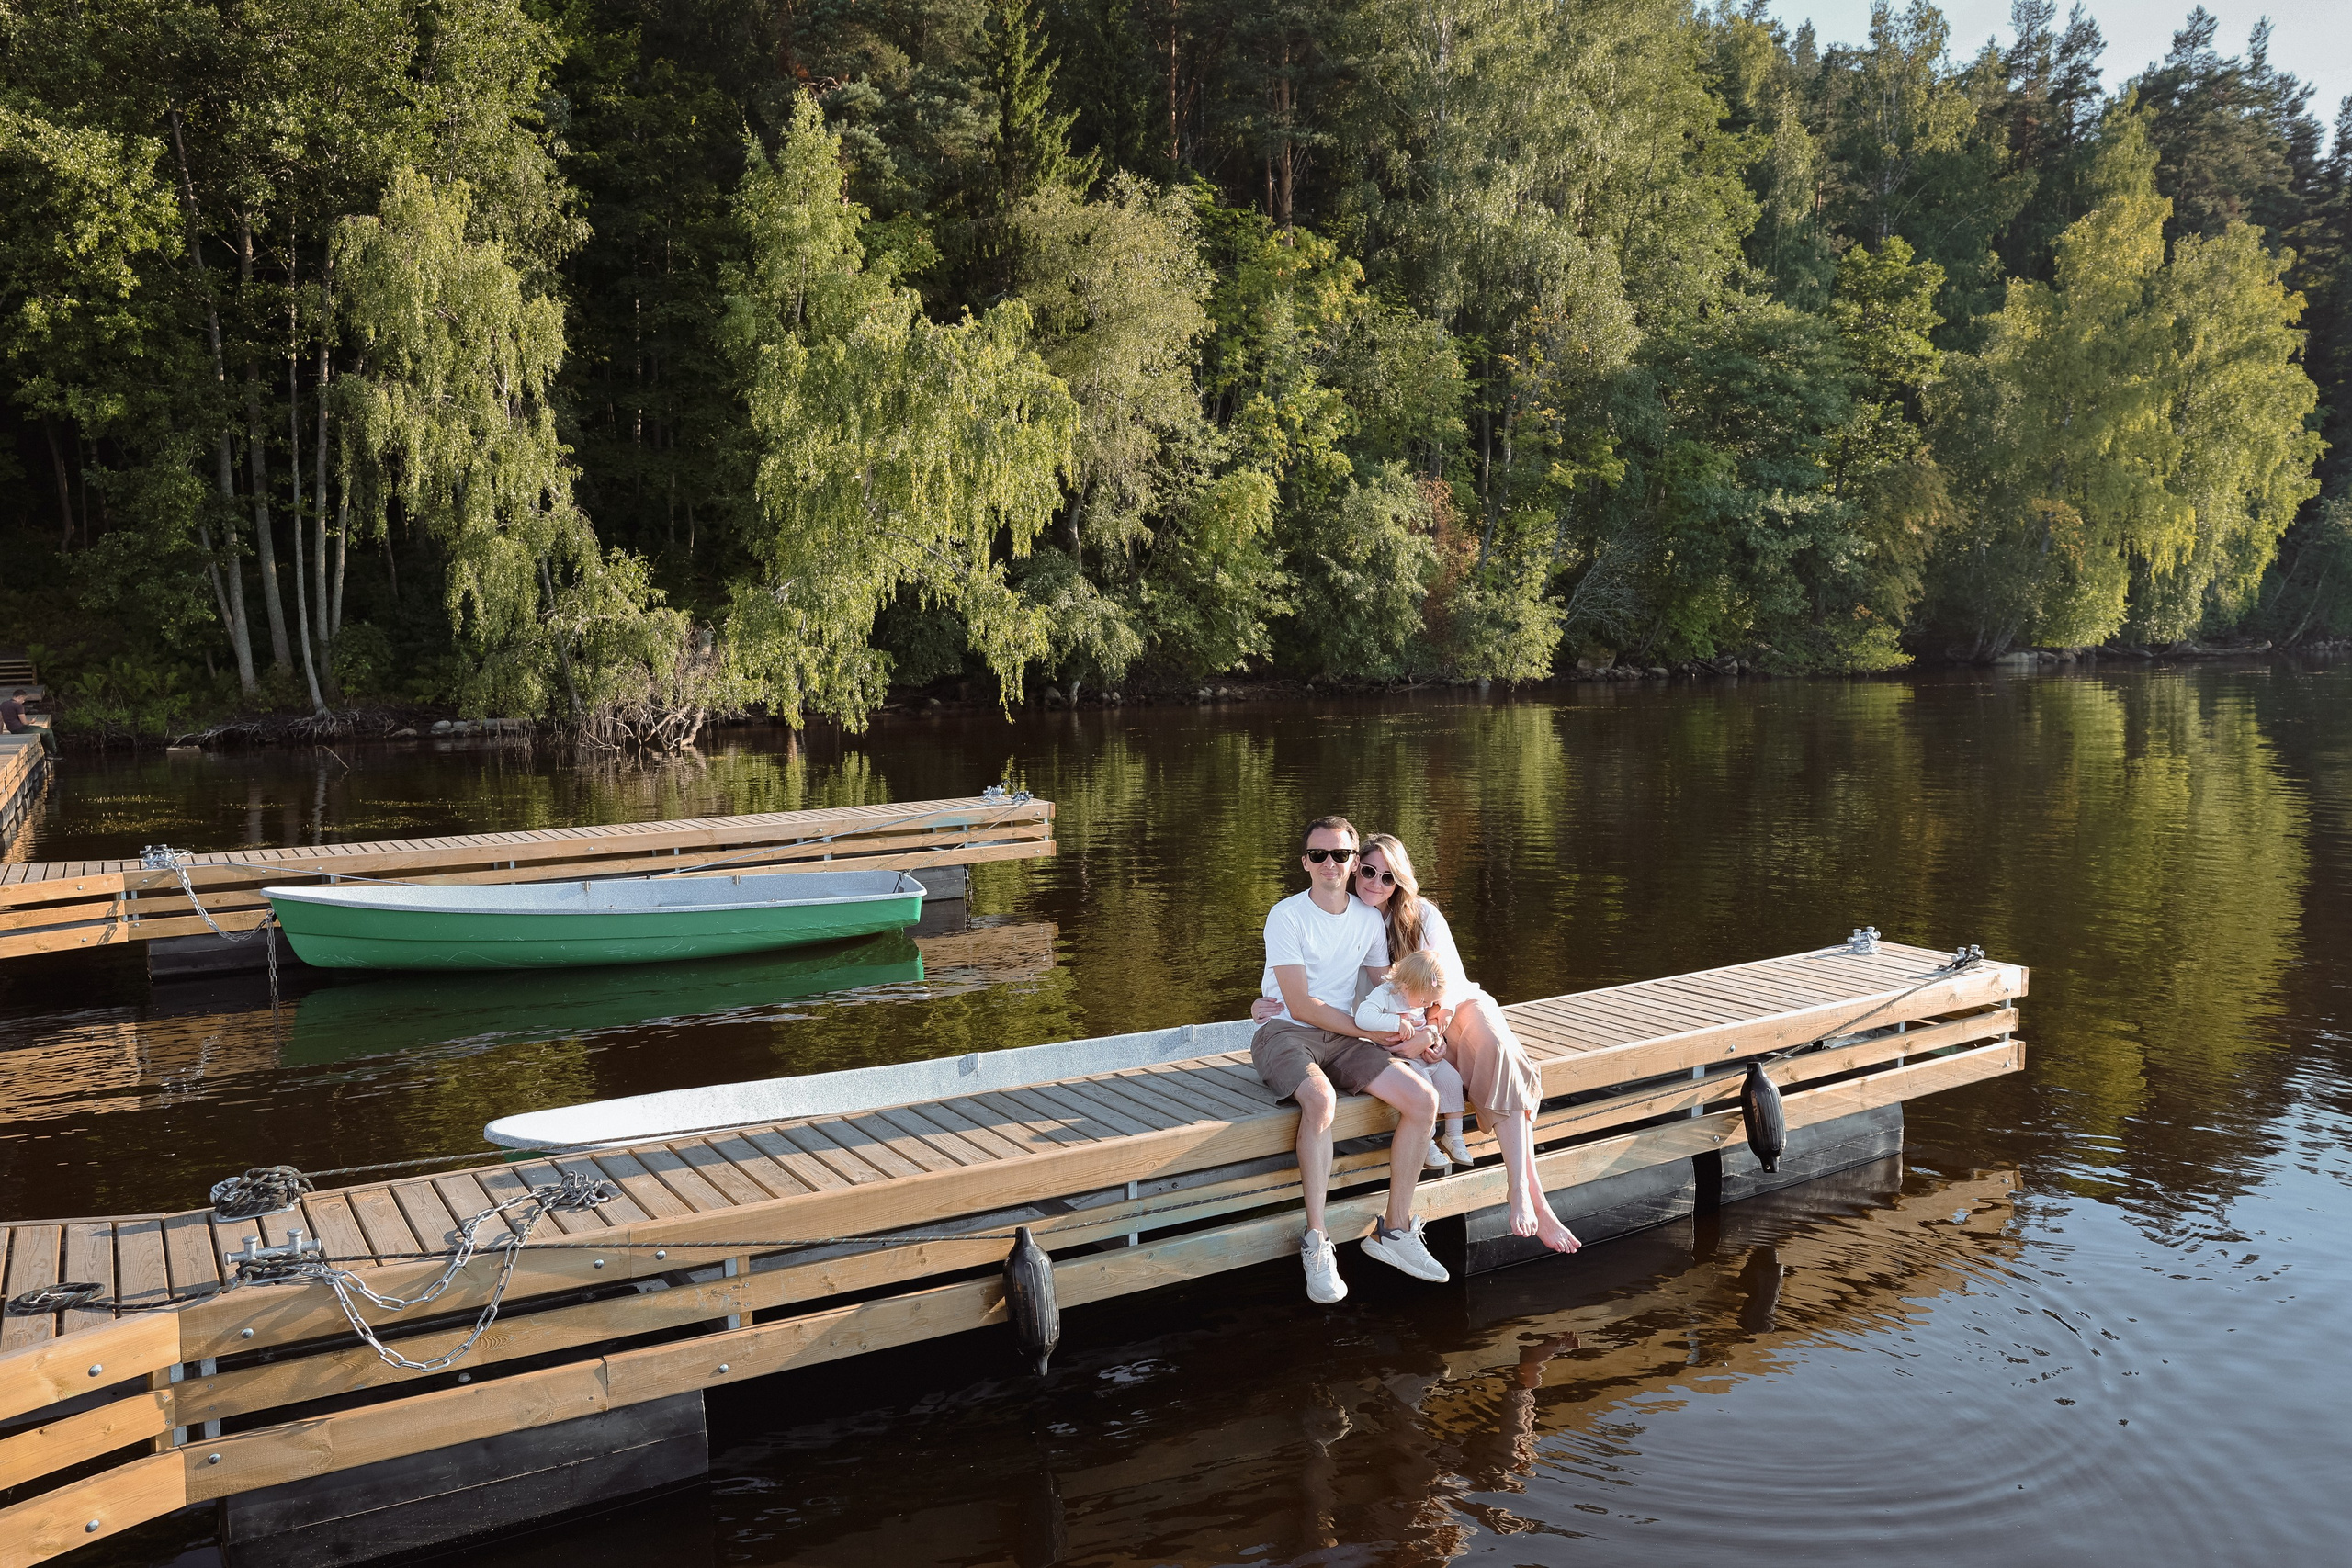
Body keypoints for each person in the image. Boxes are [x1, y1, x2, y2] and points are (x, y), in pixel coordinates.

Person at [1252, 814, 1451, 1303]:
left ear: (1353, 861)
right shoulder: (1287, 916)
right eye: (1318, 855)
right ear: (1305, 862)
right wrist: (1370, 1027)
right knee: (1320, 1100)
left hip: (1342, 1035)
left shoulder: (1368, 920)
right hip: (1285, 1031)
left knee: (1423, 1098)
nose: (1329, 863)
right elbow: (1300, 1005)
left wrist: (1423, 1025)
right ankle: (1318, 1242)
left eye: (1340, 855)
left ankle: (1395, 1231)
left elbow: (1388, 986)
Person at [1351, 832, 1580, 1254]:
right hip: (1402, 1018)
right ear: (1354, 870)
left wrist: (1434, 1030)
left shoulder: (1423, 915)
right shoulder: (1350, 919)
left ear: (1401, 882)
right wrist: (1417, 1034)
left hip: (1453, 1005)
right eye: (1368, 871)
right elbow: (1378, 994)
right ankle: (1536, 1200)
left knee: (1498, 1051)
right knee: (1496, 1064)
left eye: (1388, 877)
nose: (1376, 883)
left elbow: (1451, 985)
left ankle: (1522, 1191)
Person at [1354, 948, 1473, 1171]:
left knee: (1451, 1079)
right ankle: (1425, 1140)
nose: (1426, 1006)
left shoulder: (1421, 996)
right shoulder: (1385, 994)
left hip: (1425, 1055)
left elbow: (1435, 1012)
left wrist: (1433, 1035)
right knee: (1423, 1086)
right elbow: (1363, 1017)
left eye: (1431, 1001)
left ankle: (1454, 1136)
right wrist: (1396, 1023)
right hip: (1399, 1058)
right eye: (1424, 1000)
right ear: (1406, 987)